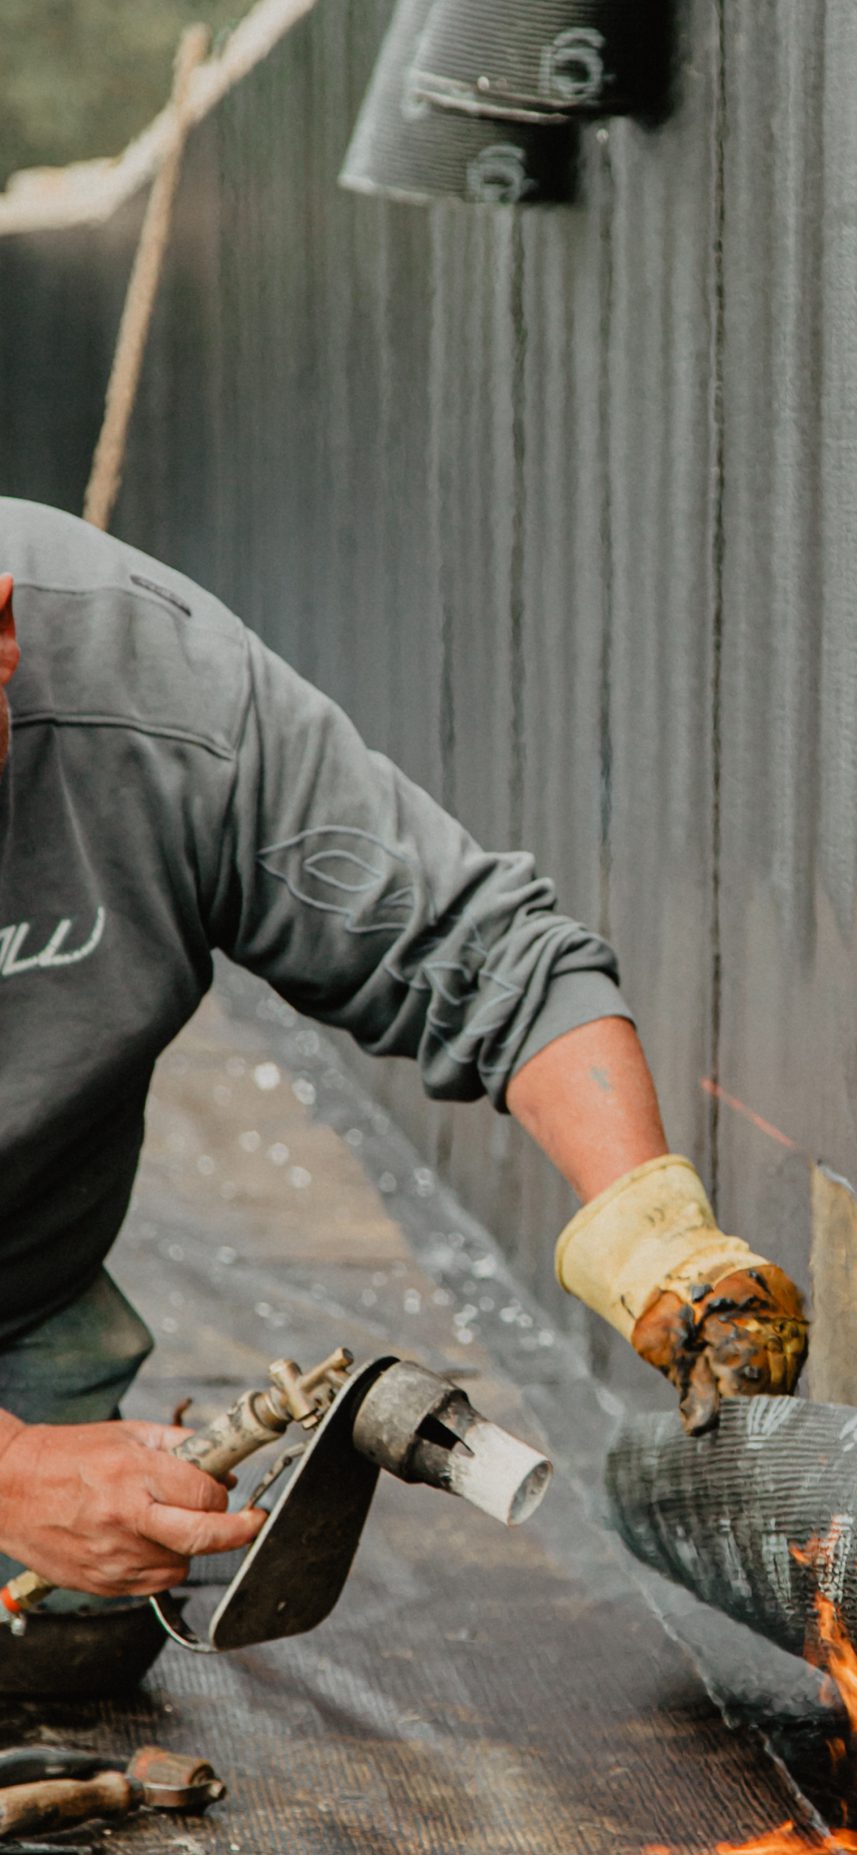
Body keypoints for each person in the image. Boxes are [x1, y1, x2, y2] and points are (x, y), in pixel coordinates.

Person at [0, 497, 806, 1678]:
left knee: (64, 1654)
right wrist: (15, 1476)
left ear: (5, 633)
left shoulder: (161, 702)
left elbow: (493, 959)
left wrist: (657, 1242)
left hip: (28, 1279)